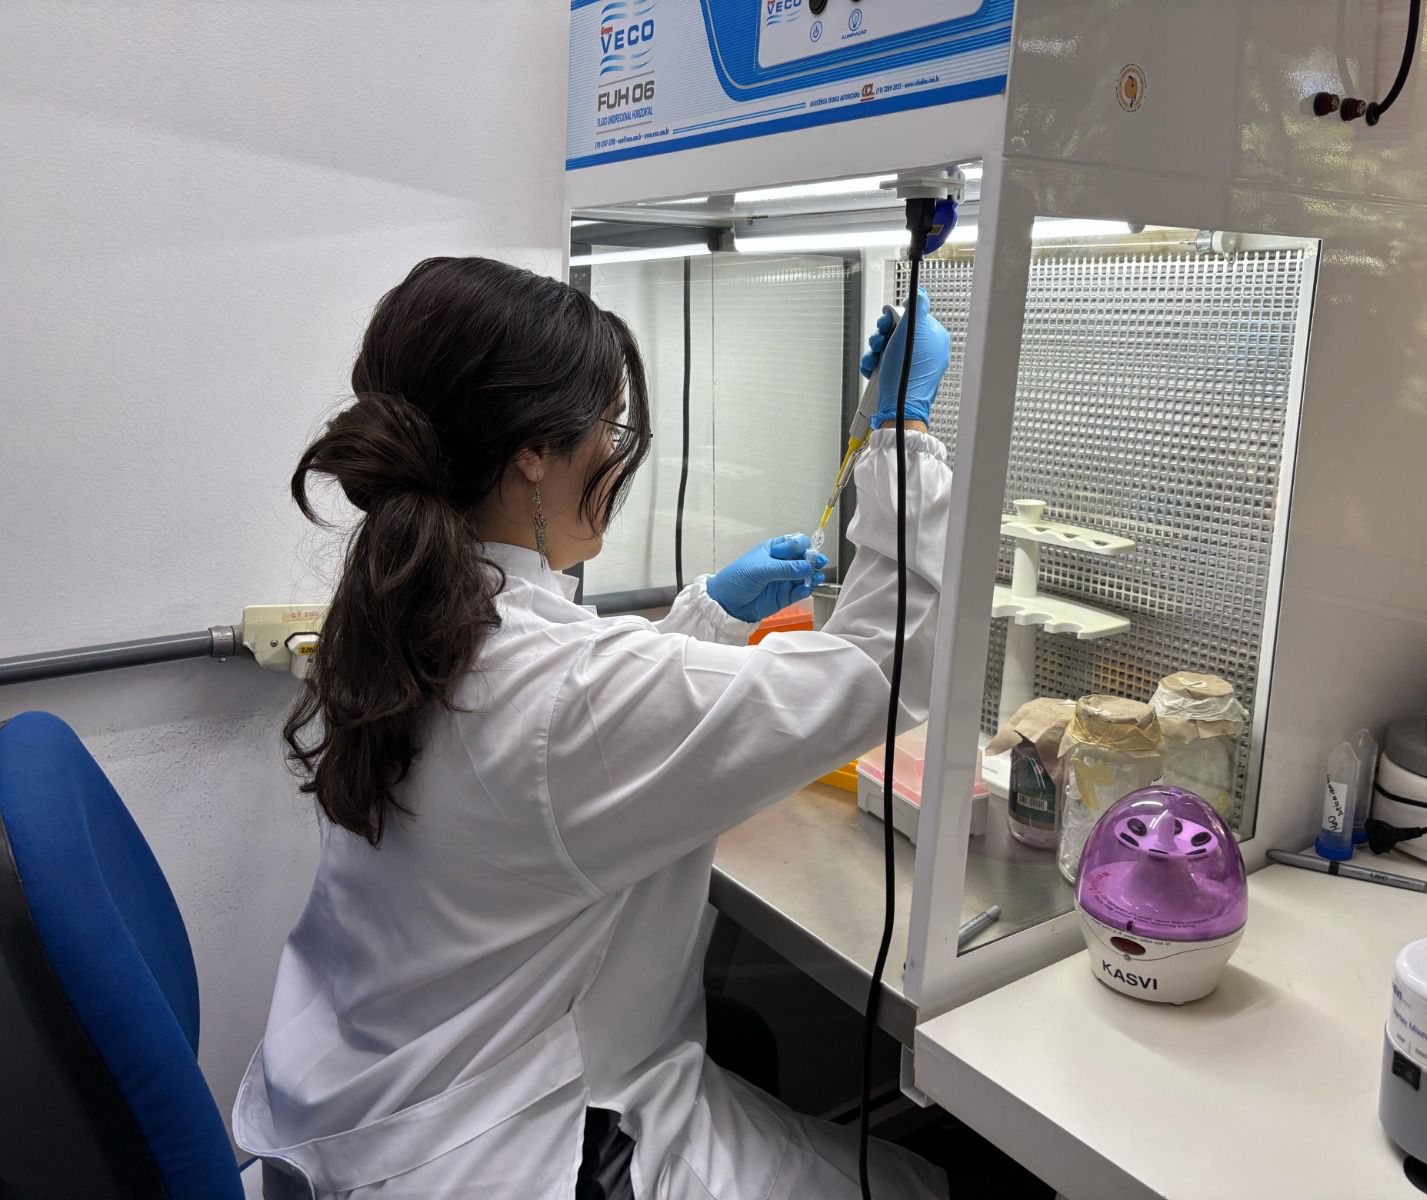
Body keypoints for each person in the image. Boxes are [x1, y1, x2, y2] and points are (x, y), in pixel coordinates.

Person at [233, 257, 954, 1199]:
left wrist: (707, 613)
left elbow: (565, 730)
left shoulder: (399, 617)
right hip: (511, 1152)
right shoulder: (552, 693)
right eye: (609, 426)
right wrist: (903, 431)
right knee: (914, 1186)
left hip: (364, 1108)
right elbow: (881, 674)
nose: (615, 454)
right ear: (535, 451)